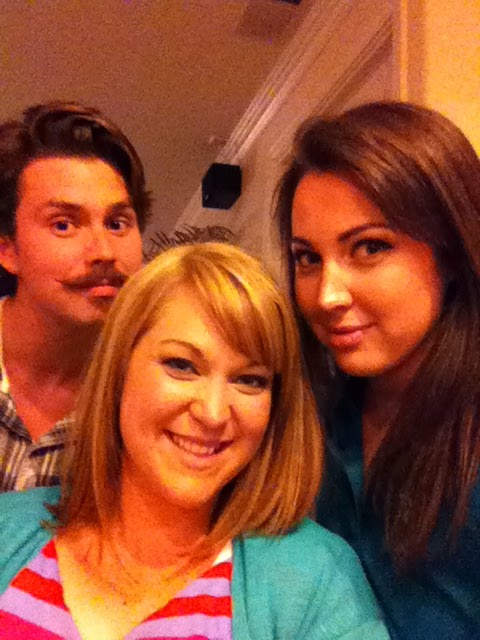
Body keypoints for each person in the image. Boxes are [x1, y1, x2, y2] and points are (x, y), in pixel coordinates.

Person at [0, 242, 389, 639]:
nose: (213, 413)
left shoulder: (315, 581)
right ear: (118, 370)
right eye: (182, 366)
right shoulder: (7, 527)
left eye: (249, 380)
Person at [274, 101, 480, 639]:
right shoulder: (311, 418)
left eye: (369, 247)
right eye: (307, 258)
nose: (328, 295)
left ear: (451, 254)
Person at [0, 101, 150, 491]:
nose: (104, 251)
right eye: (64, 224)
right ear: (7, 249)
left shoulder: (151, 398)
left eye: (117, 223)